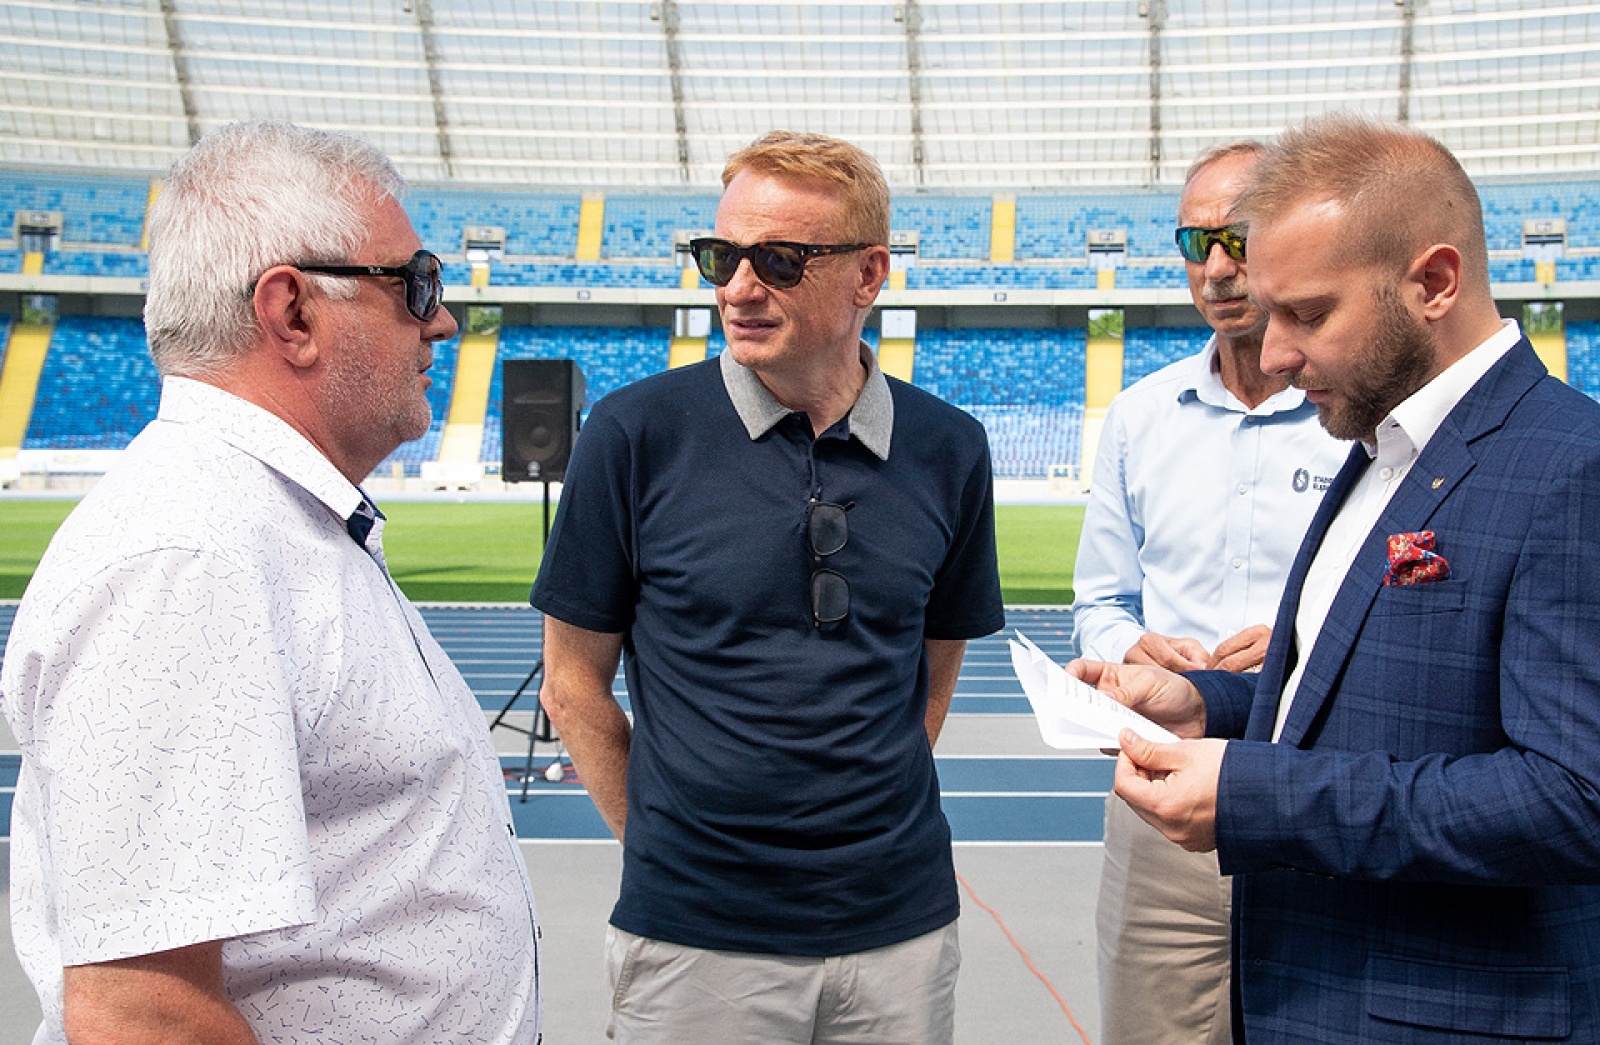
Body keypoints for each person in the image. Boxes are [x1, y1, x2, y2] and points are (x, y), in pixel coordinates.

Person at [0, 121, 542, 1044]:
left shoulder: (257, 524)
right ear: (292, 312)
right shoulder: (190, 559)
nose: (443, 319)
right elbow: (143, 1014)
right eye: (416, 284)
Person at [1075, 112, 1600, 1043]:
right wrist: (1207, 705)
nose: (1273, 354)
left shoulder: (1569, 466)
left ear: (1433, 282)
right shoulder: (1383, 443)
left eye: (1308, 314)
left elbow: (1573, 798)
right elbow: (1367, 694)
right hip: (1321, 984)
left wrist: (1255, 794)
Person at [532, 130, 1004, 1044]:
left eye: (780, 261)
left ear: (869, 275)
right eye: (722, 257)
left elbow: (931, 672)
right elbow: (571, 681)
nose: (739, 288)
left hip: (901, 934)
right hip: (694, 942)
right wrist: (670, 845)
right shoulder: (632, 436)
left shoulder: (952, 449)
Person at [1072, 141, 1346, 1045]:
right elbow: (1100, 602)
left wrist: (1313, 640)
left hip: (1319, 798)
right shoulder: (1139, 418)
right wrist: (1126, 649)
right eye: (1197, 242)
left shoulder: (1362, 414)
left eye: (1238, 236)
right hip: (1161, 812)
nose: (1218, 267)